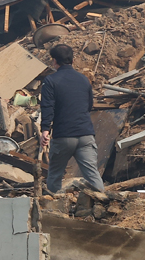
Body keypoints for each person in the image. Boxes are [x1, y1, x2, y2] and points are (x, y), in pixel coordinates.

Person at [39, 43, 105, 194]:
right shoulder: (84, 80)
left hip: (64, 136)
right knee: (92, 175)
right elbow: (89, 106)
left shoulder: (50, 81)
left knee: (55, 175)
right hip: (86, 135)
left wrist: (45, 130)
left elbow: (47, 107)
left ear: (54, 61)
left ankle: (53, 207)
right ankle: (103, 204)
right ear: (73, 61)